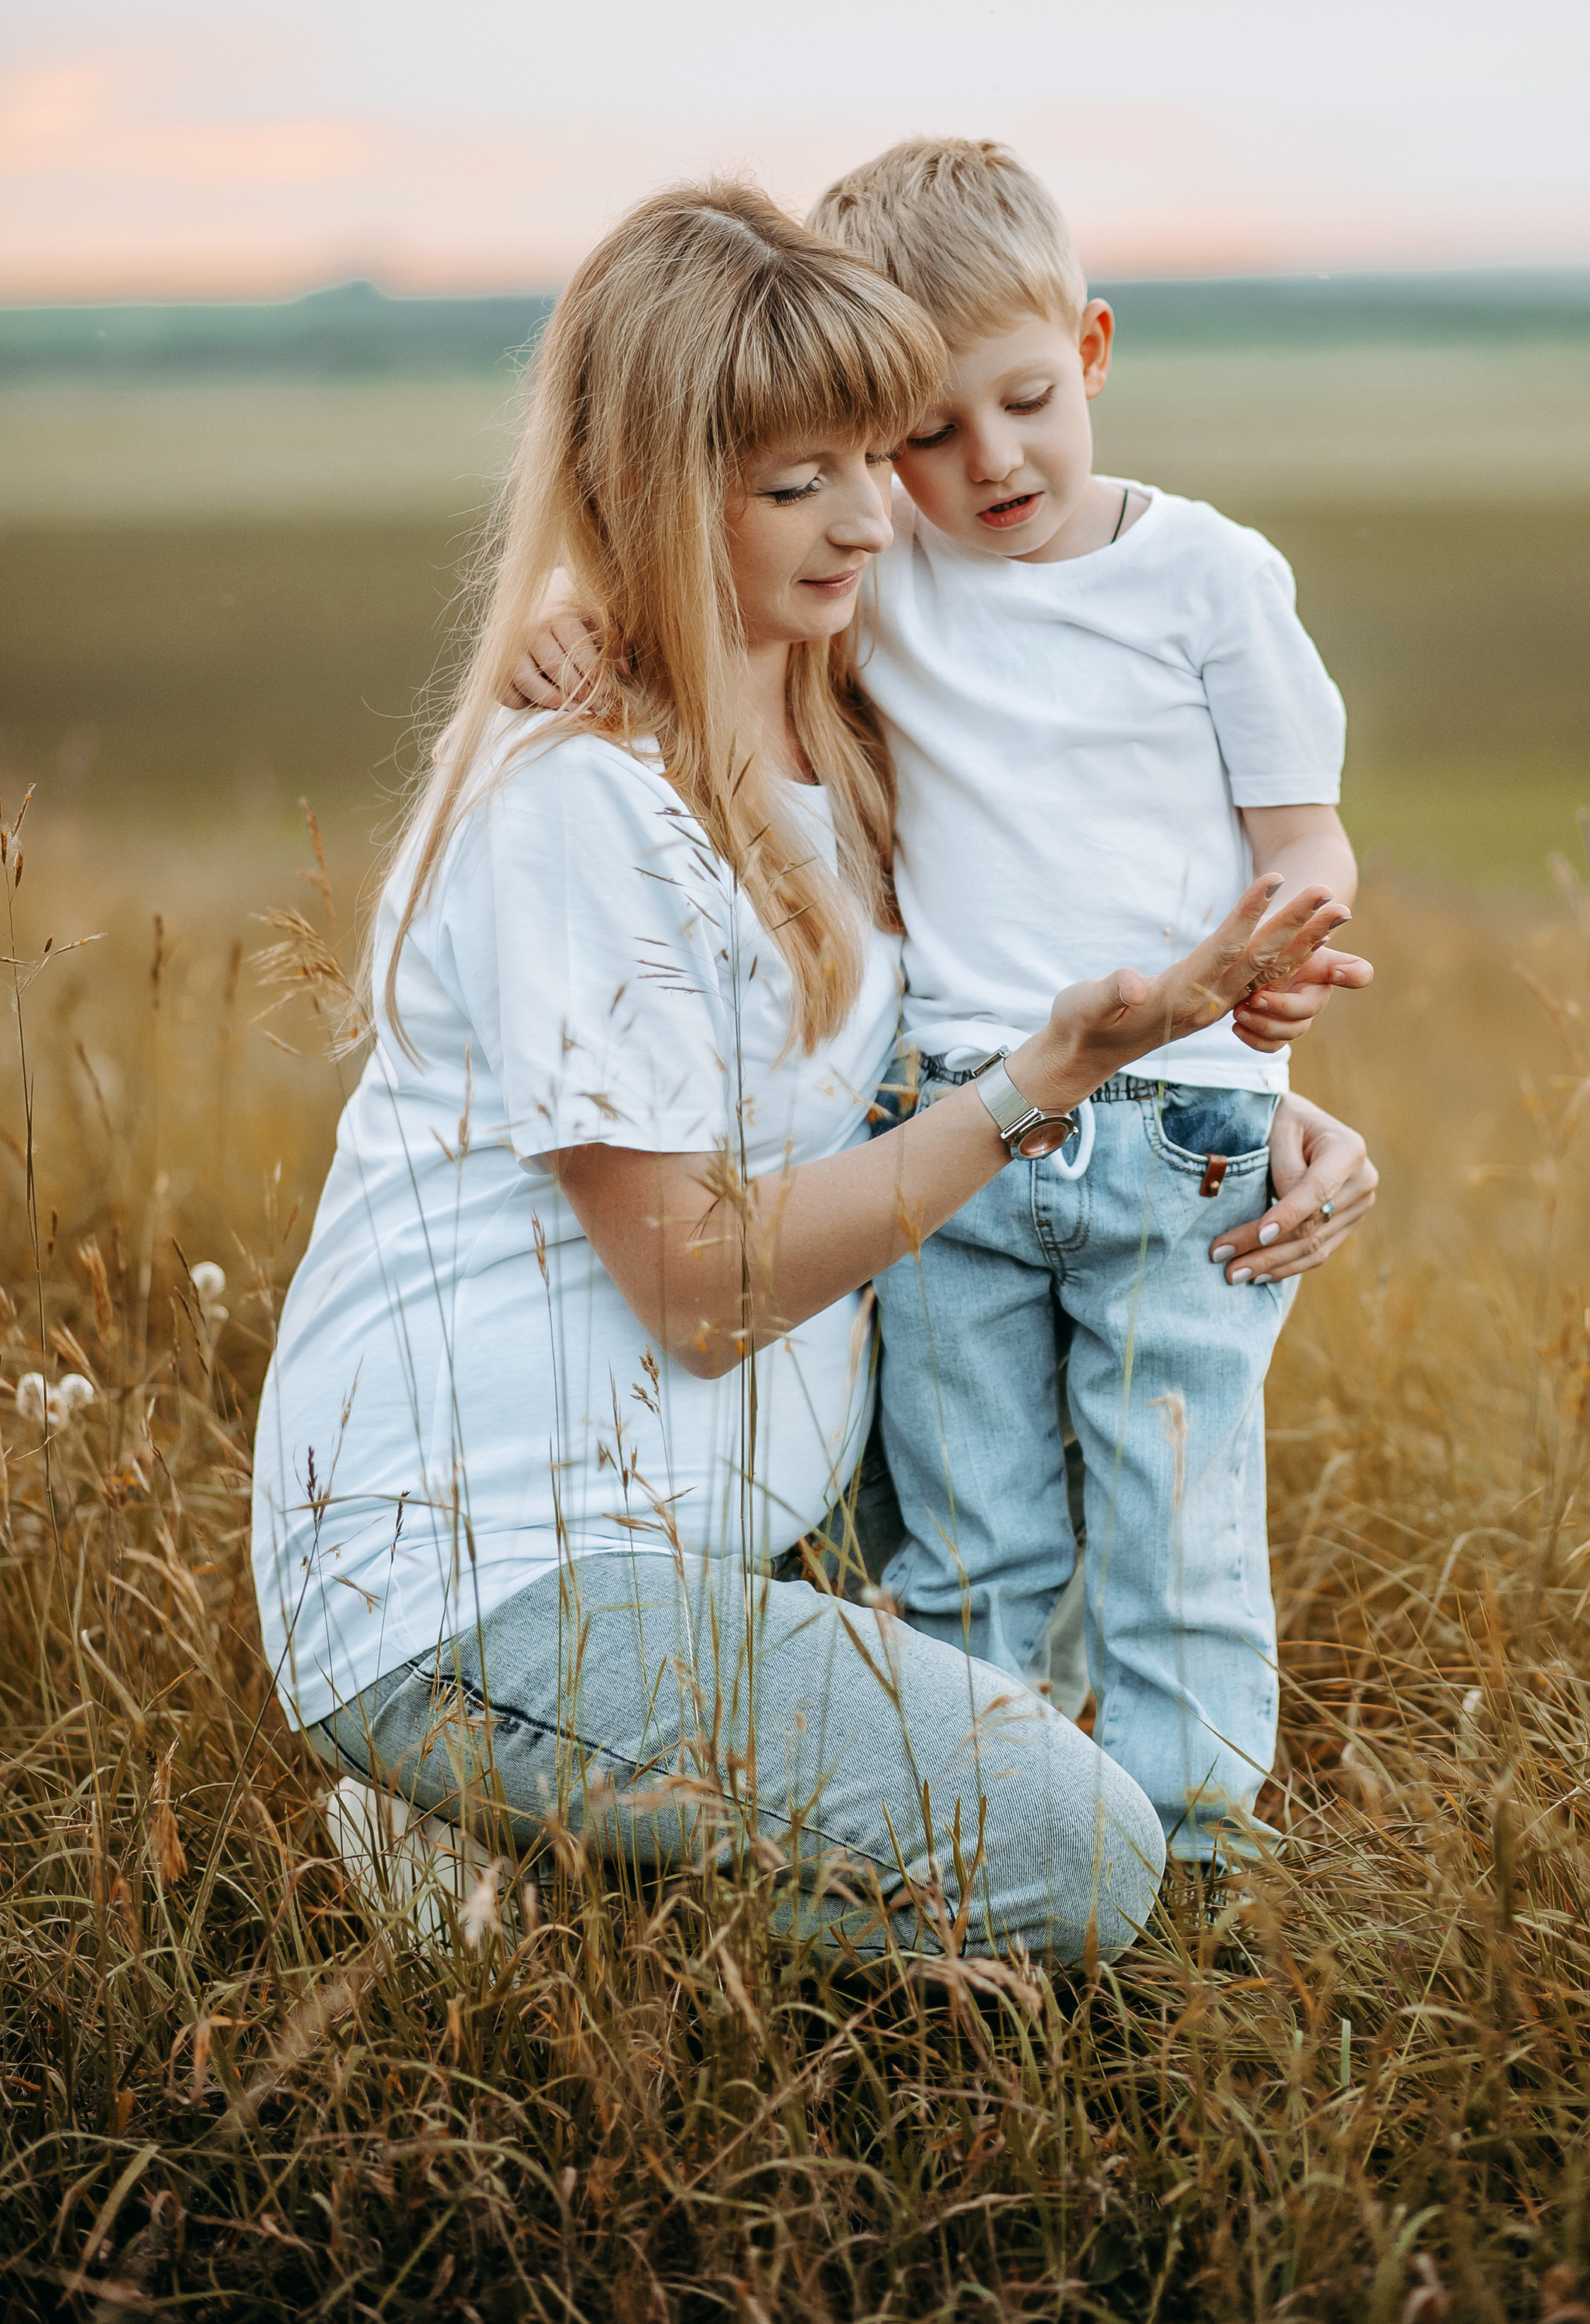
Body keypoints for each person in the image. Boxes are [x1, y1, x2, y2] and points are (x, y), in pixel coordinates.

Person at [252, 180, 1358, 1964]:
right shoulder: (575, 809)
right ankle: (504, 1834)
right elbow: (698, 1288)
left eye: (875, 454)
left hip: (725, 1536)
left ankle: (547, 1832)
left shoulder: (841, 727)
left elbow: (982, 1007)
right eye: (797, 485)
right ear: (653, 498)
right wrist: (1032, 1097)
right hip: (491, 1570)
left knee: (1059, 1678)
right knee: (1077, 1864)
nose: (873, 517)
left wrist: (1228, 1098)